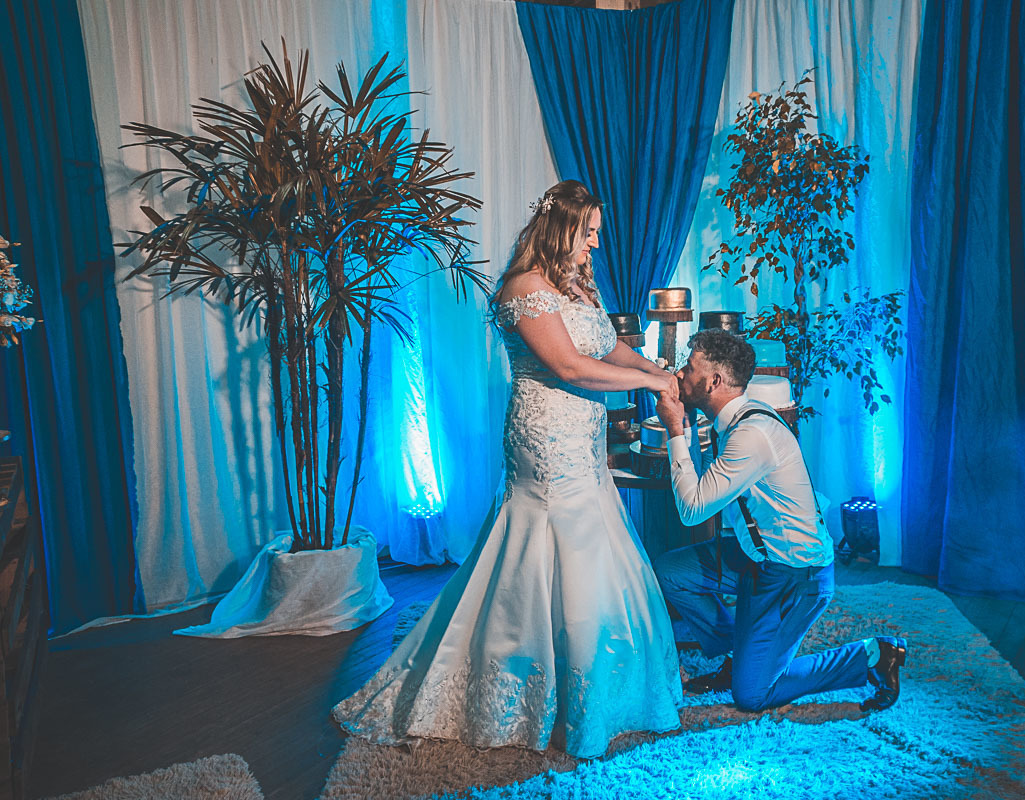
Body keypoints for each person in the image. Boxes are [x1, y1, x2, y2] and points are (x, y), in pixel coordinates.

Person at [333, 180, 682, 759]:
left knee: (595, 541)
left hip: (583, 436)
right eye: (589, 232)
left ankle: (600, 684)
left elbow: (607, 348)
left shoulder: (577, 283)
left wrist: (653, 368)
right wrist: (652, 385)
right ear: (562, 228)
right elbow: (570, 367)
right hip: (545, 436)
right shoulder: (525, 288)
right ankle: (524, 679)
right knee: (551, 539)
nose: (596, 244)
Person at [653, 329, 907, 713]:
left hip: (795, 572)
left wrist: (675, 429)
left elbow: (692, 509)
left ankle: (872, 655)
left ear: (714, 381)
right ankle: (741, 653)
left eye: (689, 368)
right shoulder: (732, 420)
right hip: (755, 556)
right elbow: (708, 488)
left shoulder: (751, 434)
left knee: (752, 695)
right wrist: (686, 426)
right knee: (670, 572)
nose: (679, 374)